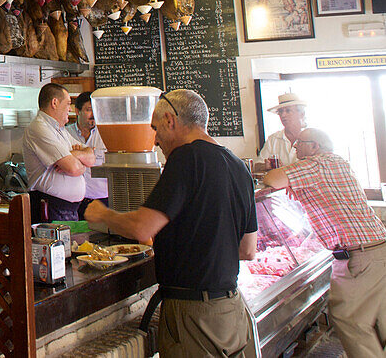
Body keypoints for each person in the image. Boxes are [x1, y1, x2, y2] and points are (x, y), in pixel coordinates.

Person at [85, 89, 258, 357]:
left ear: (170, 120)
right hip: (231, 309)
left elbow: (142, 228)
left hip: (193, 314)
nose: (154, 140)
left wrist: (101, 214)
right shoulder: (238, 165)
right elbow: (247, 249)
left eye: (155, 129)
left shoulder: (186, 158)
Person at [262, 128, 386, 357]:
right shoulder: (337, 162)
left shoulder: (315, 165)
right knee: (380, 322)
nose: (294, 147)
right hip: (376, 248)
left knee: (350, 321)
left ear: (315, 147)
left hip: (359, 258)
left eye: (299, 143)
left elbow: (271, 178)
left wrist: (286, 179)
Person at [22, 83, 95, 221]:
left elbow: (91, 157)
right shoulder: (39, 128)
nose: (70, 108)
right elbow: (73, 168)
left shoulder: (60, 129)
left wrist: (73, 155)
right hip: (50, 209)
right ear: (54, 103)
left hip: (67, 209)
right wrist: (78, 162)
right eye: (68, 104)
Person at [65, 91, 108, 213]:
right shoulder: (65, 134)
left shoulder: (106, 134)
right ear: (77, 111)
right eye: (89, 110)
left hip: (102, 199)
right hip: (73, 201)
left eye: (96, 110)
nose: (93, 114)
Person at [255, 92, 307, 169]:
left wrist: (283, 170)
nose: (283, 115)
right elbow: (257, 165)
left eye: (288, 111)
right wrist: (265, 166)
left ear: (301, 114)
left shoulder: (311, 138)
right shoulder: (273, 139)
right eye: (280, 112)